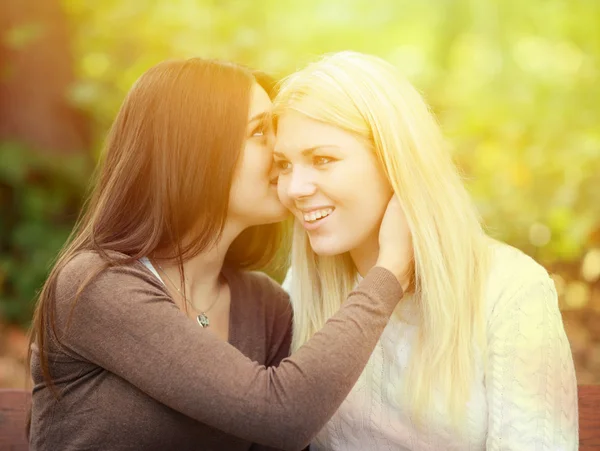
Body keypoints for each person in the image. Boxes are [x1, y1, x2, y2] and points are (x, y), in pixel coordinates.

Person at [27, 57, 413, 451]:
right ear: (194, 150)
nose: (280, 148)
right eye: (260, 132)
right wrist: (391, 272)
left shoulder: (265, 305)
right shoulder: (96, 286)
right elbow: (283, 415)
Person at [273, 51, 578, 450]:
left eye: (322, 159)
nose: (295, 189)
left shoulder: (511, 290)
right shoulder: (304, 284)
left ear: (394, 160)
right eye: (283, 164)